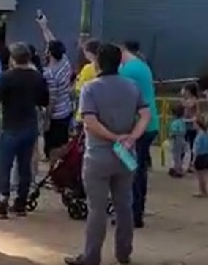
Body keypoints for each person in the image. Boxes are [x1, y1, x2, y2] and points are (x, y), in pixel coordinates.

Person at [64, 43, 151, 265]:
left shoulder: (90, 88)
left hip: (98, 155)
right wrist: (131, 137)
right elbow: (145, 114)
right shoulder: (132, 86)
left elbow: (90, 121)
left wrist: (112, 137)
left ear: (98, 63)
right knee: (124, 205)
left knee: (97, 209)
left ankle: (92, 256)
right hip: (126, 153)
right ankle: (124, 252)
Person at [0, 42, 49, 218]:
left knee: (4, 166)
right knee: (24, 166)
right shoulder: (37, 77)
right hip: (30, 125)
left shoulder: (7, 77)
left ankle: (2, 203)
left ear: (12, 59)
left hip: (10, 125)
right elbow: (44, 100)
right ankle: (21, 203)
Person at [118, 40, 158, 228]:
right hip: (147, 125)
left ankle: (133, 213)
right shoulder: (141, 66)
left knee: (131, 170)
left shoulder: (127, 71)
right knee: (137, 169)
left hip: (137, 127)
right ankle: (136, 212)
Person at [36, 15, 75, 158]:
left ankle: (55, 170)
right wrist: (44, 27)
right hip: (66, 109)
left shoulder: (50, 74)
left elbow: (51, 99)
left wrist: (47, 120)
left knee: (53, 148)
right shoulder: (65, 62)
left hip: (56, 114)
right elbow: (52, 41)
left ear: (49, 54)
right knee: (63, 143)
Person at [192, 114, 208, 197]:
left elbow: (196, 149)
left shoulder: (199, 136)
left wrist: (193, 159)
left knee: (200, 176)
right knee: (205, 174)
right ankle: (205, 191)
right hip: (207, 155)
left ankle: (202, 191)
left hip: (200, 156)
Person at [167, 106, 187, 178]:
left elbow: (173, 132)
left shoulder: (174, 123)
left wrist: (170, 136)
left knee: (176, 156)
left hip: (176, 140)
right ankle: (179, 168)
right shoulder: (182, 122)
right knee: (181, 155)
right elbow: (184, 131)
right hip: (182, 139)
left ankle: (177, 170)